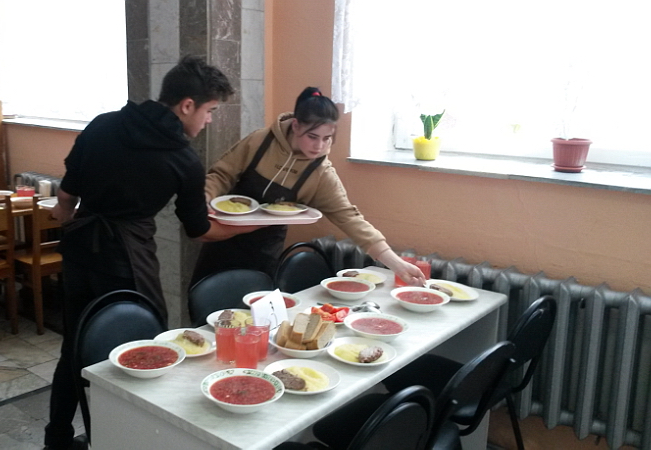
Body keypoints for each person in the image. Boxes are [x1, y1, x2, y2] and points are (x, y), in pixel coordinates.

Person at [45, 55, 259, 450]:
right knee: (140, 350)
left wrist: (64, 215)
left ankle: (57, 439)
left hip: (79, 250)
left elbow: (67, 192)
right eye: (210, 111)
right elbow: (200, 231)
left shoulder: (104, 123)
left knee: (74, 345)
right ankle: (126, 440)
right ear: (187, 105)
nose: (210, 120)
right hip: (127, 258)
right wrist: (253, 225)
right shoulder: (183, 160)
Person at [190, 86, 425, 288]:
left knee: (250, 314)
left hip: (263, 252)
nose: (319, 146)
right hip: (222, 238)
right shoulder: (260, 141)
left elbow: (351, 219)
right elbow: (221, 174)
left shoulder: (321, 173)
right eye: (313, 136)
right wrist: (205, 198)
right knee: (204, 304)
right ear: (296, 125)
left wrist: (396, 264)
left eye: (327, 138)